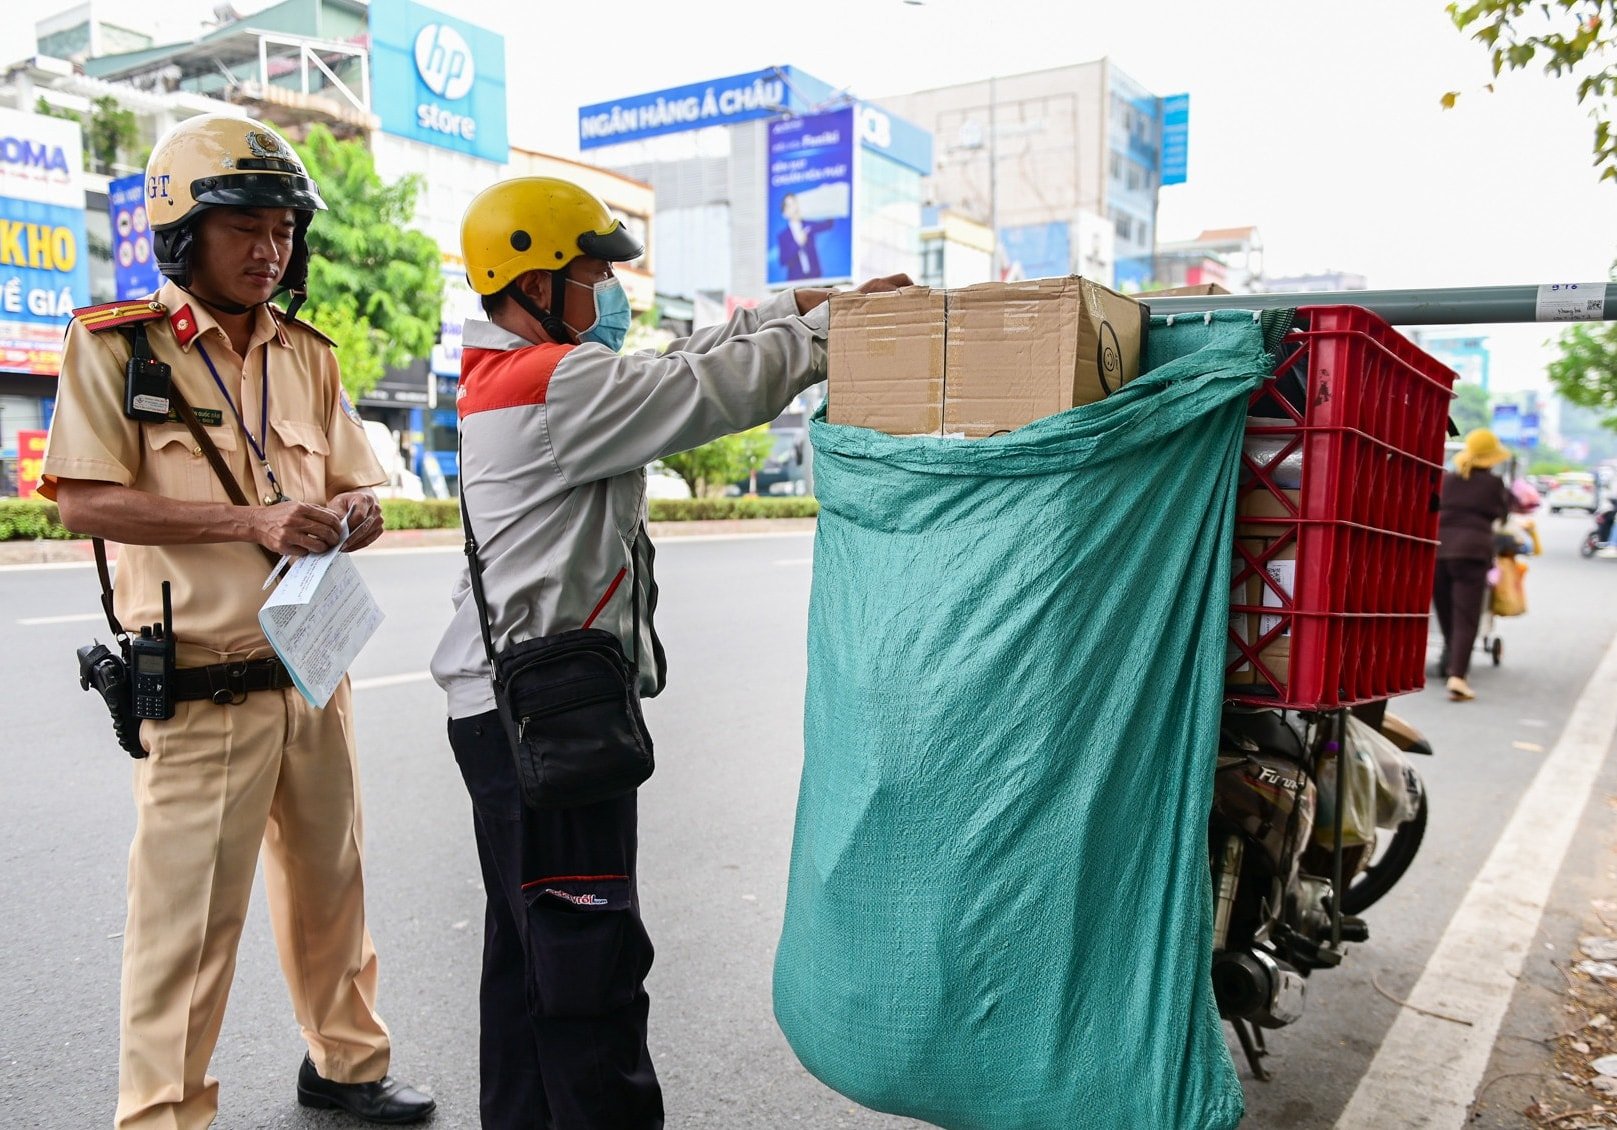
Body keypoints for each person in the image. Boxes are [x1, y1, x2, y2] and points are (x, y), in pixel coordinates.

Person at [428, 174, 908, 1128]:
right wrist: (826, 337)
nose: (614, 292)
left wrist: (797, 307)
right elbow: (704, 387)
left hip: (509, 710)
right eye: (595, 272)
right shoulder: (555, 383)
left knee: (530, 957)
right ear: (529, 281)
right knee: (586, 961)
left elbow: (676, 359)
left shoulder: (523, 373)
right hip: (547, 718)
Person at [39, 114, 434, 1128]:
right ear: (185, 233)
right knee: (185, 927)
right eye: (246, 228)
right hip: (204, 680)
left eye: (284, 230)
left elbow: (358, 487)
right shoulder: (114, 344)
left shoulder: (309, 353)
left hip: (312, 667)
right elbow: (83, 498)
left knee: (333, 886)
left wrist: (355, 514)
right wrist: (250, 518)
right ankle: (164, 1110)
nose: (270, 251)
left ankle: (347, 1061)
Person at [1433, 427, 1518, 702]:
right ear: (1490, 457)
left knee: (1445, 612)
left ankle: (1451, 656)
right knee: (1466, 617)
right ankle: (1458, 675)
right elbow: (1503, 515)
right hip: (1472, 554)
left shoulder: (1446, 480)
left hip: (1438, 551)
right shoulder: (1493, 484)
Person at [776, 192, 834, 281]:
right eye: (790, 206)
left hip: (815, 278)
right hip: (795, 282)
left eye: (795, 203)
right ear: (785, 213)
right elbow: (783, 260)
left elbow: (828, 225)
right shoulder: (783, 236)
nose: (795, 208)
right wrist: (798, 244)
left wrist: (825, 198)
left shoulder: (808, 225)